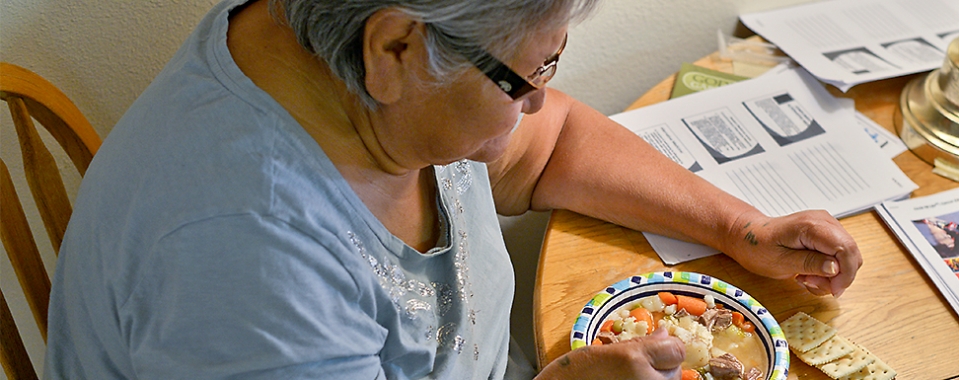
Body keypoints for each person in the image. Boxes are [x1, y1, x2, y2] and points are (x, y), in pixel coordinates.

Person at [44, 0, 863, 379]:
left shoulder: (337, 61)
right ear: (395, 47)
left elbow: (548, 145)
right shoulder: (243, 263)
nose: (541, 98)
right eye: (528, 73)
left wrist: (739, 226)